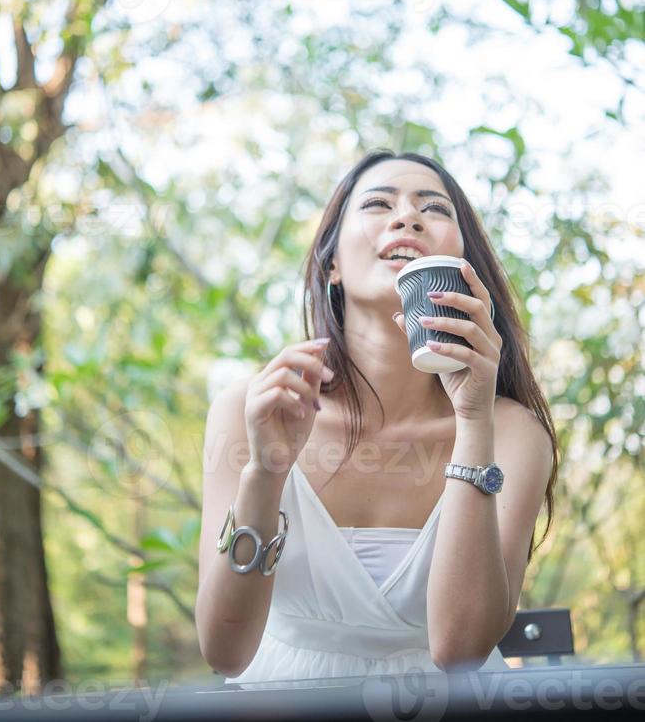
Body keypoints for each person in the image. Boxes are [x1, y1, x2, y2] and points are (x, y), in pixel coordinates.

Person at [195, 149, 558, 687]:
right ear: (332, 264)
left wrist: (474, 418)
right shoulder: (250, 411)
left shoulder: (512, 433)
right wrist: (266, 474)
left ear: (466, 267)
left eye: (434, 209)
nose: (407, 216)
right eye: (377, 203)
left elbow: (460, 648)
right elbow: (224, 652)